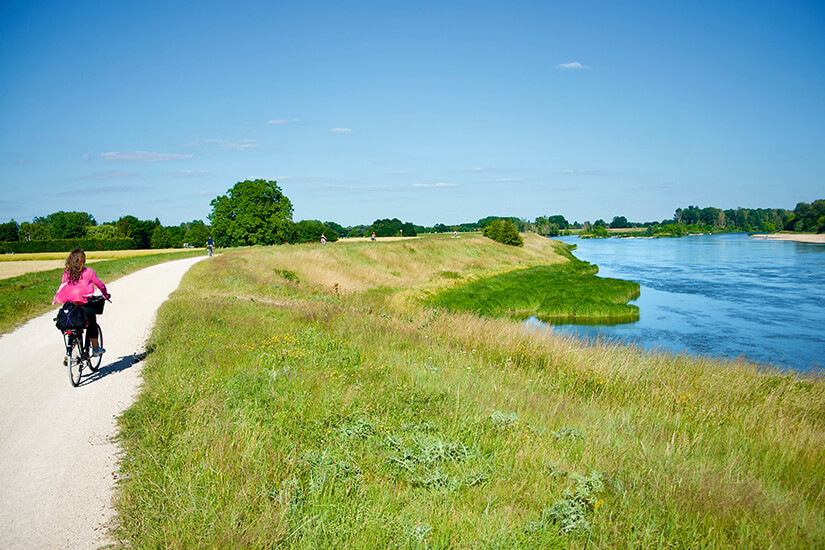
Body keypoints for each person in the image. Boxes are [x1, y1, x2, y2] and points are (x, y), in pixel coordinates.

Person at [53, 248, 110, 356]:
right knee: (92, 324)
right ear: (83, 260)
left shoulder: (67, 272)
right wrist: (105, 295)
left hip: (70, 305)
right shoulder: (89, 272)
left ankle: (69, 352)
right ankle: (96, 349)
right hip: (83, 304)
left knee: (74, 326)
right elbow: (101, 285)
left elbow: (64, 286)